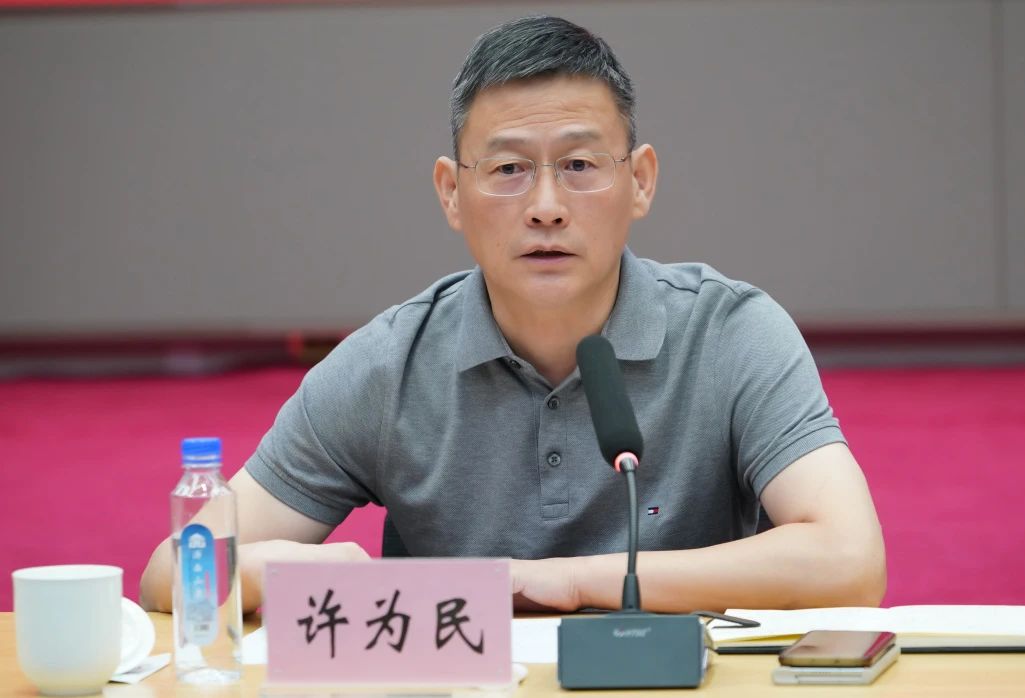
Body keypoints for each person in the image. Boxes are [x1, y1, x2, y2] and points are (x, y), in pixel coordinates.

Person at [141, 15, 885, 615]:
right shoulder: (387, 366)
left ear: (641, 180)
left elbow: (850, 560)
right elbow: (174, 571)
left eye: (580, 165)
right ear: (451, 193)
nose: (546, 207)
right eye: (507, 169)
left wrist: (574, 581)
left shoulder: (731, 335)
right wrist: (295, 574)